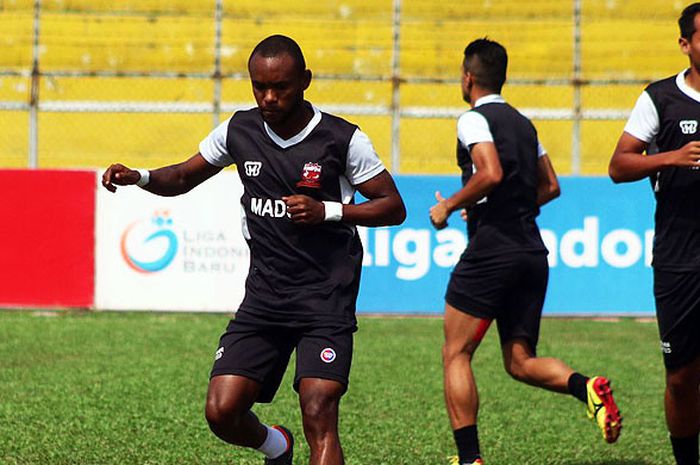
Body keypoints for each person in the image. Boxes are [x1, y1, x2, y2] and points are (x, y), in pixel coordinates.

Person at [102, 34, 406, 465]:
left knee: (319, 410)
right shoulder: (239, 130)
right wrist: (142, 177)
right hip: (265, 298)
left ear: (305, 80)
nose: (268, 97)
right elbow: (185, 176)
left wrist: (330, 211)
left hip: (325, 299)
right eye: (259, 87)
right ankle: (276, 447)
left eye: (280, 87)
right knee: (222, 411)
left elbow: (393, 207)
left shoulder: (342, 139)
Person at [429, 38, 622, 465]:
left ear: (468, 77)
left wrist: (449, 204)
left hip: (493, 251)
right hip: (531, 251)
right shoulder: (523, 123)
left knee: (455, 353)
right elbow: (551, 185)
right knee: (519, 360)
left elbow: (491, 172)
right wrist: (501, 205)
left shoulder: (472, 119)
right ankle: (585, 386)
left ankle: (470, 459)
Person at [609, 4, 700, 464]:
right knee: (682, 379)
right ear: (686, 44)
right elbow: (619, 165)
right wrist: (671, 157)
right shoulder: (661, 99)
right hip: (680, 260)